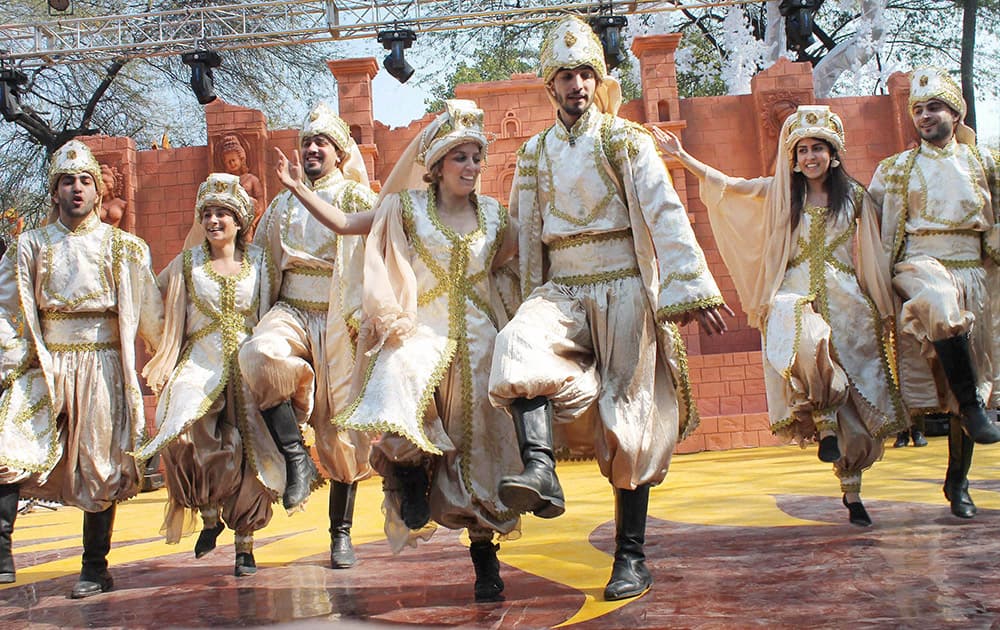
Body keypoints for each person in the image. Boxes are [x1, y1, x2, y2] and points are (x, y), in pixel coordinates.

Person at [488, 16, 731, 602]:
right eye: (565, 75)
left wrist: (689, 288)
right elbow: (530, 233)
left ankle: (631, 556)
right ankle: (540, 468)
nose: (576, 85)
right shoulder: (534, 153)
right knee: (518, 342)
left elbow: (665, 211)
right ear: (550, 86)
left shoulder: (625, 140)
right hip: (564, 287)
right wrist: (527, 296)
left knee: (631, 412)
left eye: (585, 74)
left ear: (598, 80)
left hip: (623, 283)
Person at [276, 99, 521, 603]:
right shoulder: (406, 209)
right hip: (422, 330)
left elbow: (527, 254)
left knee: (481, 451)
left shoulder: (496, 216)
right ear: (435, 166)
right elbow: (346, 225)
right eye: (461, 157)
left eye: (477, 157)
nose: (471, 167)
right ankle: (408, 475)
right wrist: (300, 189)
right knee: (395, 381)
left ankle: (484, 557)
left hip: (480, 340)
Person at [653, 105, 907, 526]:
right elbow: (731, 187)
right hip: (793, 291)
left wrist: (882, 306)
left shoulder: (857, 198)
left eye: (818, 149)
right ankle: (823, 419)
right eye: (802, 150)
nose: (810, 157)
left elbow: (881, 246)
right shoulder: (783, 194)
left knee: (857, 416)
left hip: (847, 300)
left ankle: (852, 489)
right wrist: (684, 159)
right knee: (805, 338)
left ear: (834, 153)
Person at [0, 140, 163, 595]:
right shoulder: (28, 246)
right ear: (54, 191)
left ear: (97, 191)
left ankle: (95, 568)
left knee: (100, 465)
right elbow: (6, 308)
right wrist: (8, 362)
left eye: (85, 181)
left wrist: (171, 361)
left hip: (102, 363)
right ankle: (1, 555)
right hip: (46, 362)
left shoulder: (124, 247)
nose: (76, 189)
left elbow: (151, 311)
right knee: (8, 449)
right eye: (67, 181)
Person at [238, 102, 379, 568]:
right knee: (260, 353)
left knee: (342, 437)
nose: (313, 149)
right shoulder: (280, 204)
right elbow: (258, 263)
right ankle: (295, 454)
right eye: (307, 142)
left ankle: (341, 534)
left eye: (322, 143)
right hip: (292, 309)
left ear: (340, 153)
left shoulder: (357, 198)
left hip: (341, 320)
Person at [134, 173, 285, 577]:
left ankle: (245, 547)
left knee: (250, 451)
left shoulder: (260, 263)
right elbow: (149, 293)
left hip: (248, 362)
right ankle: (207, 511)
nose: (215, 221)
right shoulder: (187, 263)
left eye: (223, 213)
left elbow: (274, 308)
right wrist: (162, 341)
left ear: (238, 221)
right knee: (180, 428)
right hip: (199, 361)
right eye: (208, 214)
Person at [869, 67, 1000, 519]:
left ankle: (957, 480)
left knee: (973, 385)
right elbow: (866, 220)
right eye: (918, 110)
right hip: (918, 263)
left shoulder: (985, 162)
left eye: (934, 108)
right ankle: (971, 409)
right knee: (941, 303)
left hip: (974, 272)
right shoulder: (895, 169)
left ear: (955, 112)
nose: (924, 116)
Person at [219, 135, 266, 239]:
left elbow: (261, 205)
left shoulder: (252, 179)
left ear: (241, 159)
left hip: (249, 220)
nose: (231, 164)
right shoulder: (225, 182)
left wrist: (252, 223)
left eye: (233, 160)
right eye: (228, 162)